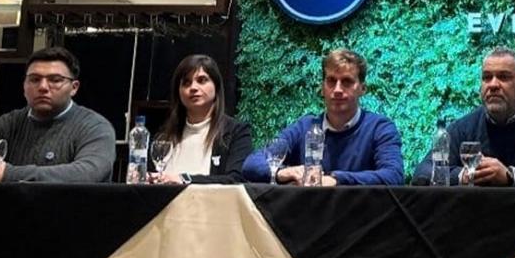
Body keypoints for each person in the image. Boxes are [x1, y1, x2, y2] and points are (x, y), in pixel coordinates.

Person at [411, 47, 515, 188]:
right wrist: (465, 175)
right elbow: (422, 172)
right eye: (487, 78)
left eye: (503, 77)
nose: (493, 85)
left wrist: (512, 176)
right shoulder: (463, 127)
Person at [242, 48, 404, 185]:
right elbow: (251, 164)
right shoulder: (304, 127)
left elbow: (393, 176)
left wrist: (336, 179)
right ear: (322, 87)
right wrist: (283, 172)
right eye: (331, 81)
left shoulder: (379, 128)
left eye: (347, 81)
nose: (338, 89)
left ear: (362, 88)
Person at [0, 46, 116, 183]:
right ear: (24, 85)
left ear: (74, 88)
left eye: (55, 80)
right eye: (34, 80)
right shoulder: (9, 123)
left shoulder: (94, 127)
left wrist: (8, 174)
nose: (43, 87)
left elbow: (89, 173)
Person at [147, 54, 252, 185]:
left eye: (202, 80)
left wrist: (184, 179)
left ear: (216, 87)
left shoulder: (236, 132)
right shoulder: (164, 136)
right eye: (186, 83)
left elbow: (235, 179)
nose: (193, 88)